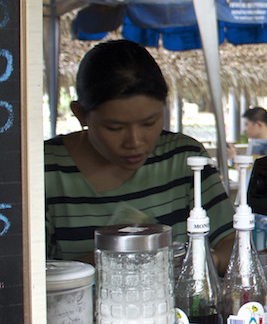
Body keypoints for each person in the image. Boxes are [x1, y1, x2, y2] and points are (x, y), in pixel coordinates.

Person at [44, 39, 234, 271]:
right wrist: (103, 263)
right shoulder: (45, 170)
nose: (134, 142)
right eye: (114, 128)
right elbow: (27, 273)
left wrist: (207, 261)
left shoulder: (185, 160)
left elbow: (230, 242)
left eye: (149, 123)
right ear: (80, 114)